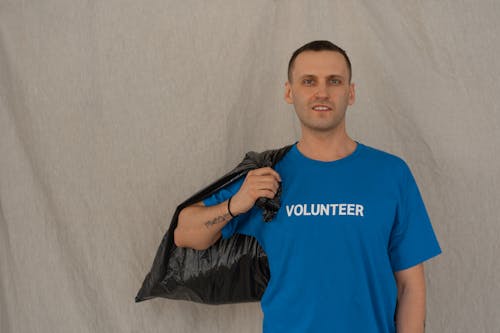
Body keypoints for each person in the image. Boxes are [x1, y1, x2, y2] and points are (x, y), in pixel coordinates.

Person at [173, 40, 441, 333]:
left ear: (350, 93)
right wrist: (236, 204)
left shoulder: (391, 173)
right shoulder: (266, 176)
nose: (322, 92)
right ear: (290, 92)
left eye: (334, 81)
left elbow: (410, 286)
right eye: (309, 81)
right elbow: (185, 233)